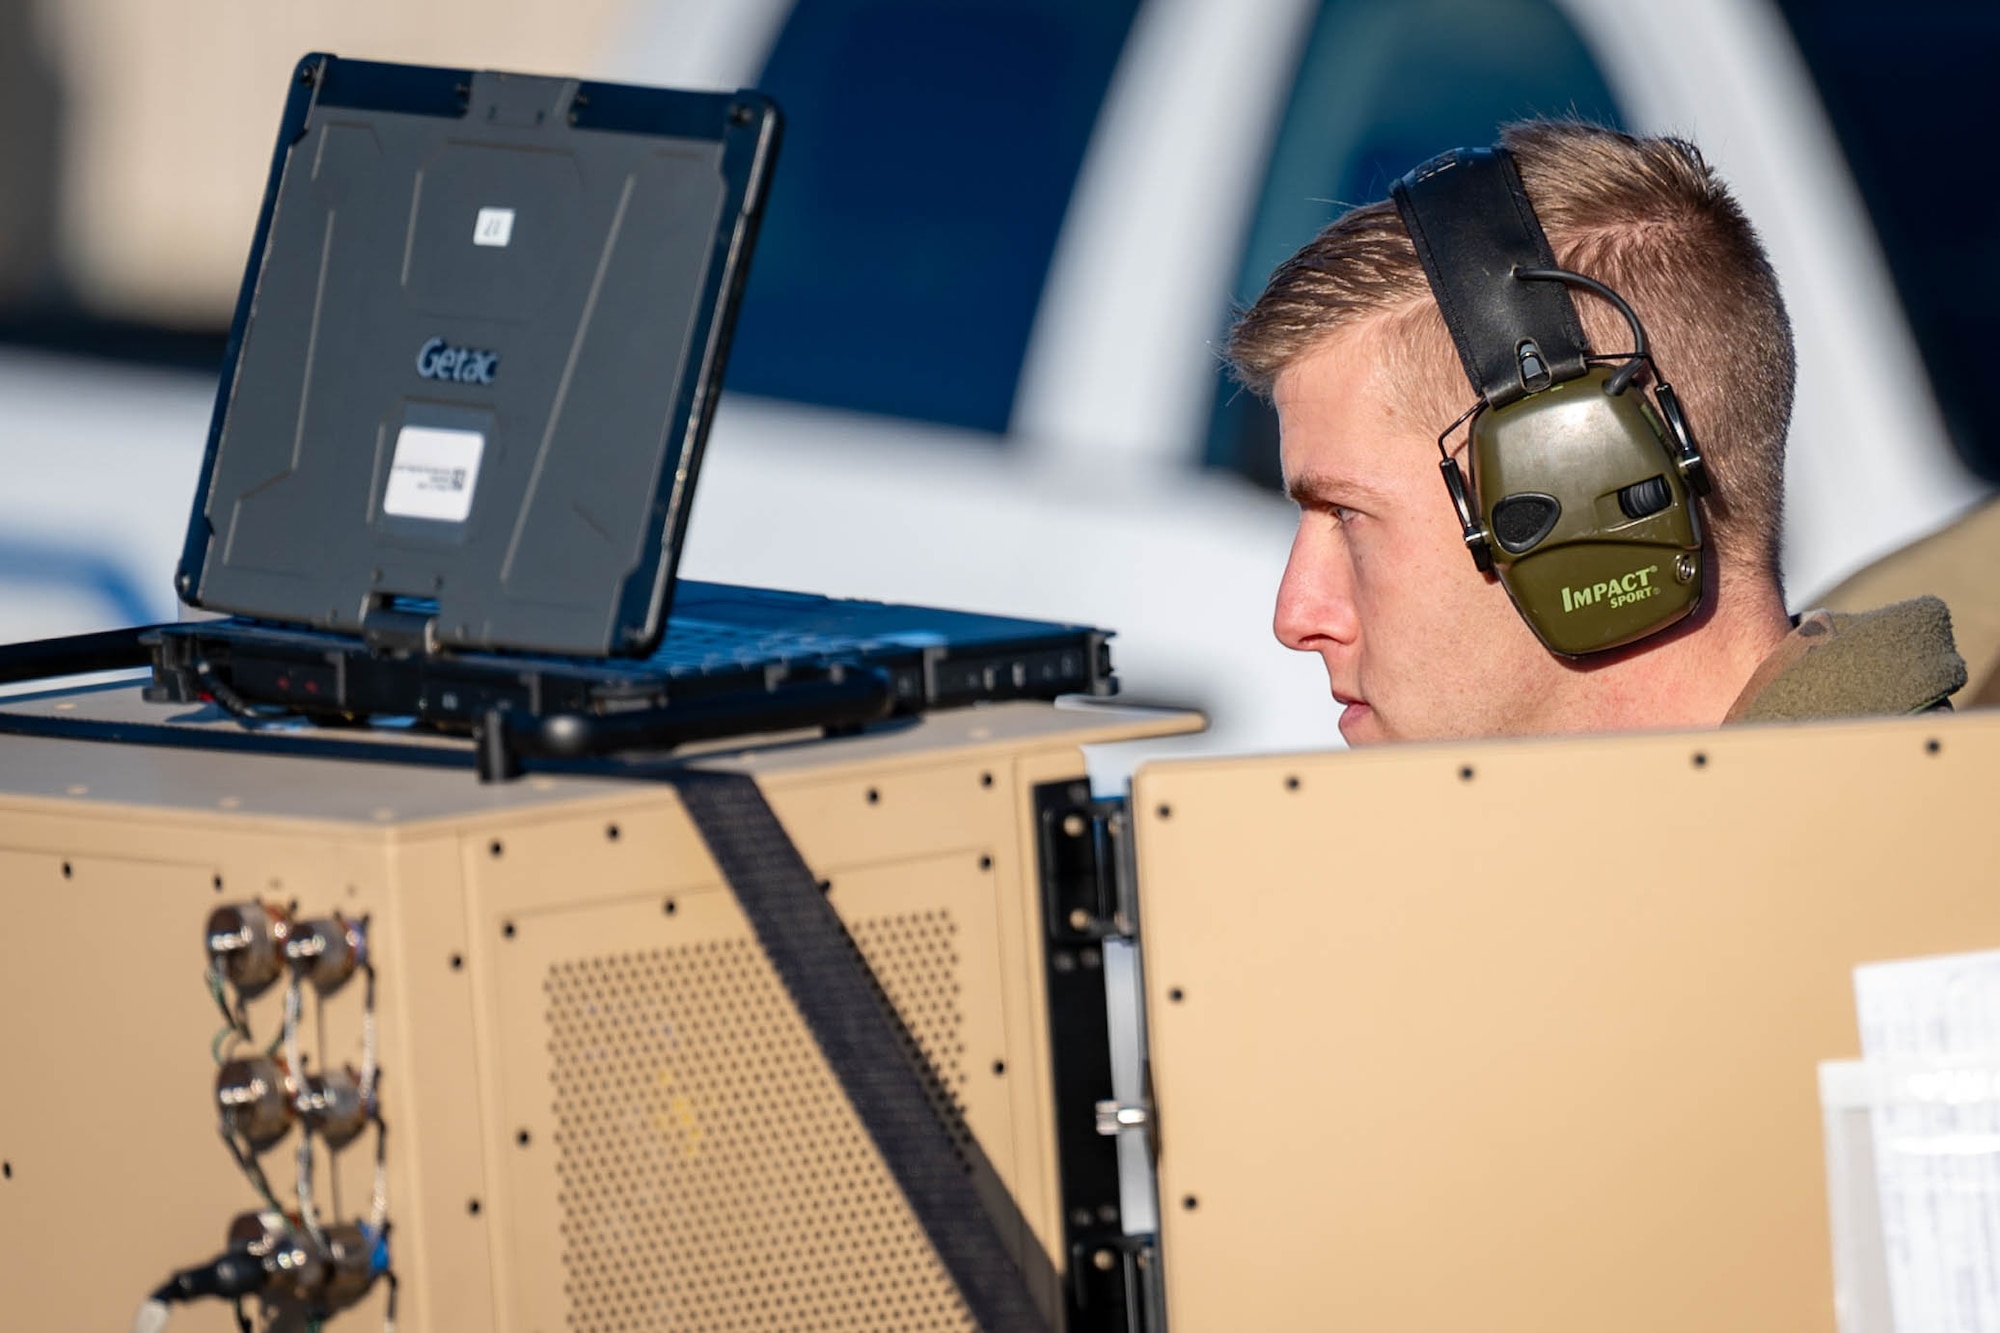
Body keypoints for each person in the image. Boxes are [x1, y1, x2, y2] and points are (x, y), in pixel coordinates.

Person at [1226, 120, 1964, 745]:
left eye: (1346, 514)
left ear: (1582, 490)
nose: (1296, 616)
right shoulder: (1697, 876)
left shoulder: (1911, 893)